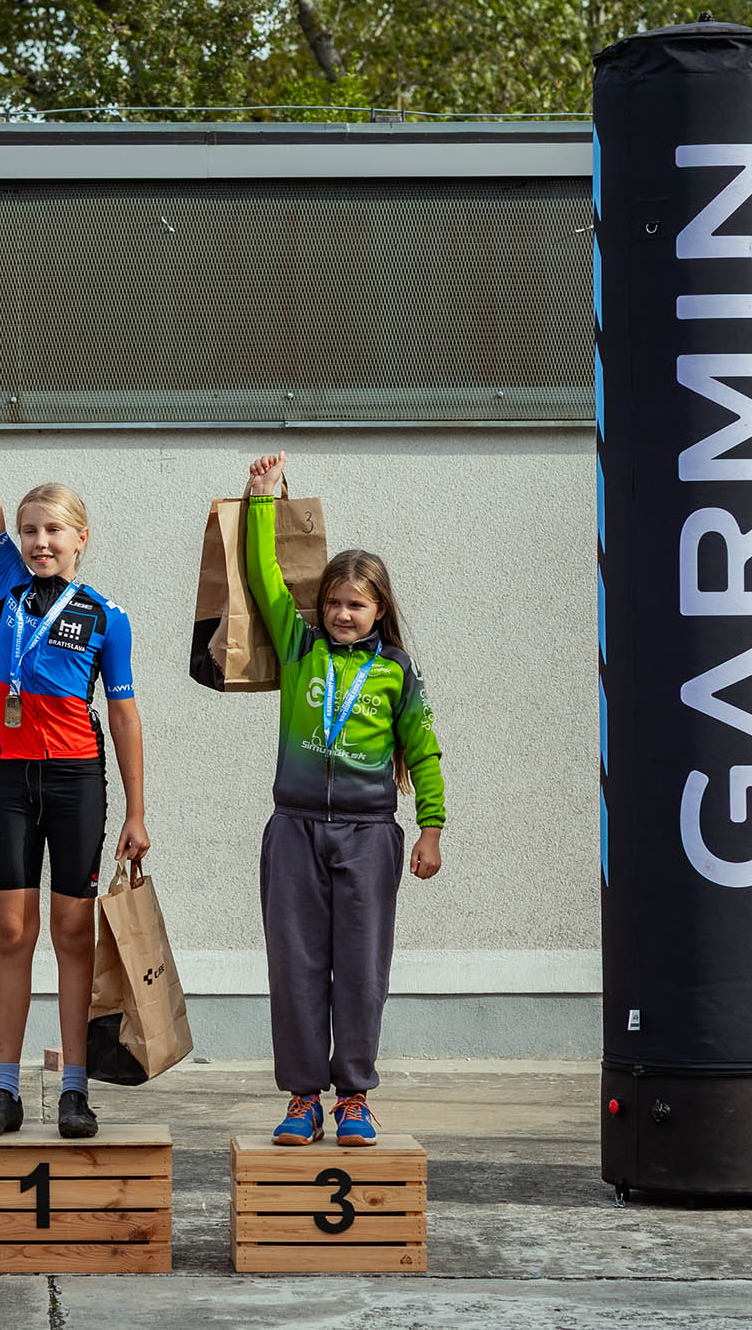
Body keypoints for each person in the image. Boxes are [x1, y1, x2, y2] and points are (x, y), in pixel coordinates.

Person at [0, 347, 149, 1140]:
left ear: (80, 538)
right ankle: (3, 1089)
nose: (39, 542)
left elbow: (126, 716)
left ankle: (74, 1087)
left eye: (53, 531)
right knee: (12, 930)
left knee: (74, 932)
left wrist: (138, 810)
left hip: (76, 780)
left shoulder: (106, 616)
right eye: (30, 531)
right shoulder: (7, 586)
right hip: (12, 778)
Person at [242, 451, 444, 1147]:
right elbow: (264, 576)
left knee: (360, 970)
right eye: (333, 602)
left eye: (356, 604)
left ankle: (354, 1095)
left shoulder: (396, 671)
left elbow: (424, 750)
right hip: (294, 828)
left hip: (369, 834)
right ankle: (303, 1096)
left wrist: (430, 828)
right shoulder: (300, 649)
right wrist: (262, 498)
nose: (342, 614)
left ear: (380, 609)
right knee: (295, 966)